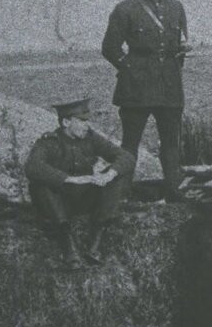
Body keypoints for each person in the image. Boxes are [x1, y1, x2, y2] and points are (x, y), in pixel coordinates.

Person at [101, 0, 190, 201]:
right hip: (136, 87)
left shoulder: (177, 7)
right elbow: (110, 48)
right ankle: (121, 195)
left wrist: (177, 59)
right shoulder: (126, 9)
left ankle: (174, 191)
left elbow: (181, 45)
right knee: (130, 143)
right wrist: (129, 69)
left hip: (169, 86)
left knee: (171, 142)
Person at [23, 98, 135, 264]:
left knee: (119, 174)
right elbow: (32, 167)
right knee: (41, 184)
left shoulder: (91, 138)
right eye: (82, 121)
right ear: (66, 122)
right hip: (59, 203)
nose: (87, 125)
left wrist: (108, 175)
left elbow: (126, 157)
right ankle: (68, 244)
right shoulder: (49, 142)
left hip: (84, 200)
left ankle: (96, 243)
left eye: (87, 121)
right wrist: (70, 180)